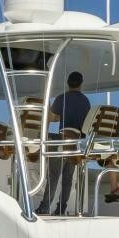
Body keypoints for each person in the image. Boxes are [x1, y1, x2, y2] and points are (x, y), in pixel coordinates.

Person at [44, 72, 91, 213]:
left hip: (62, 142)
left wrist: (49, 109)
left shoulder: (61, 98)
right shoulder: (86, 101)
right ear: (81, 84)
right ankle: (61, 208)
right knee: (67, 178)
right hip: (76, 144)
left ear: (67, 83)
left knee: (54, 175)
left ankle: (44, 207)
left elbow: (52, 118)